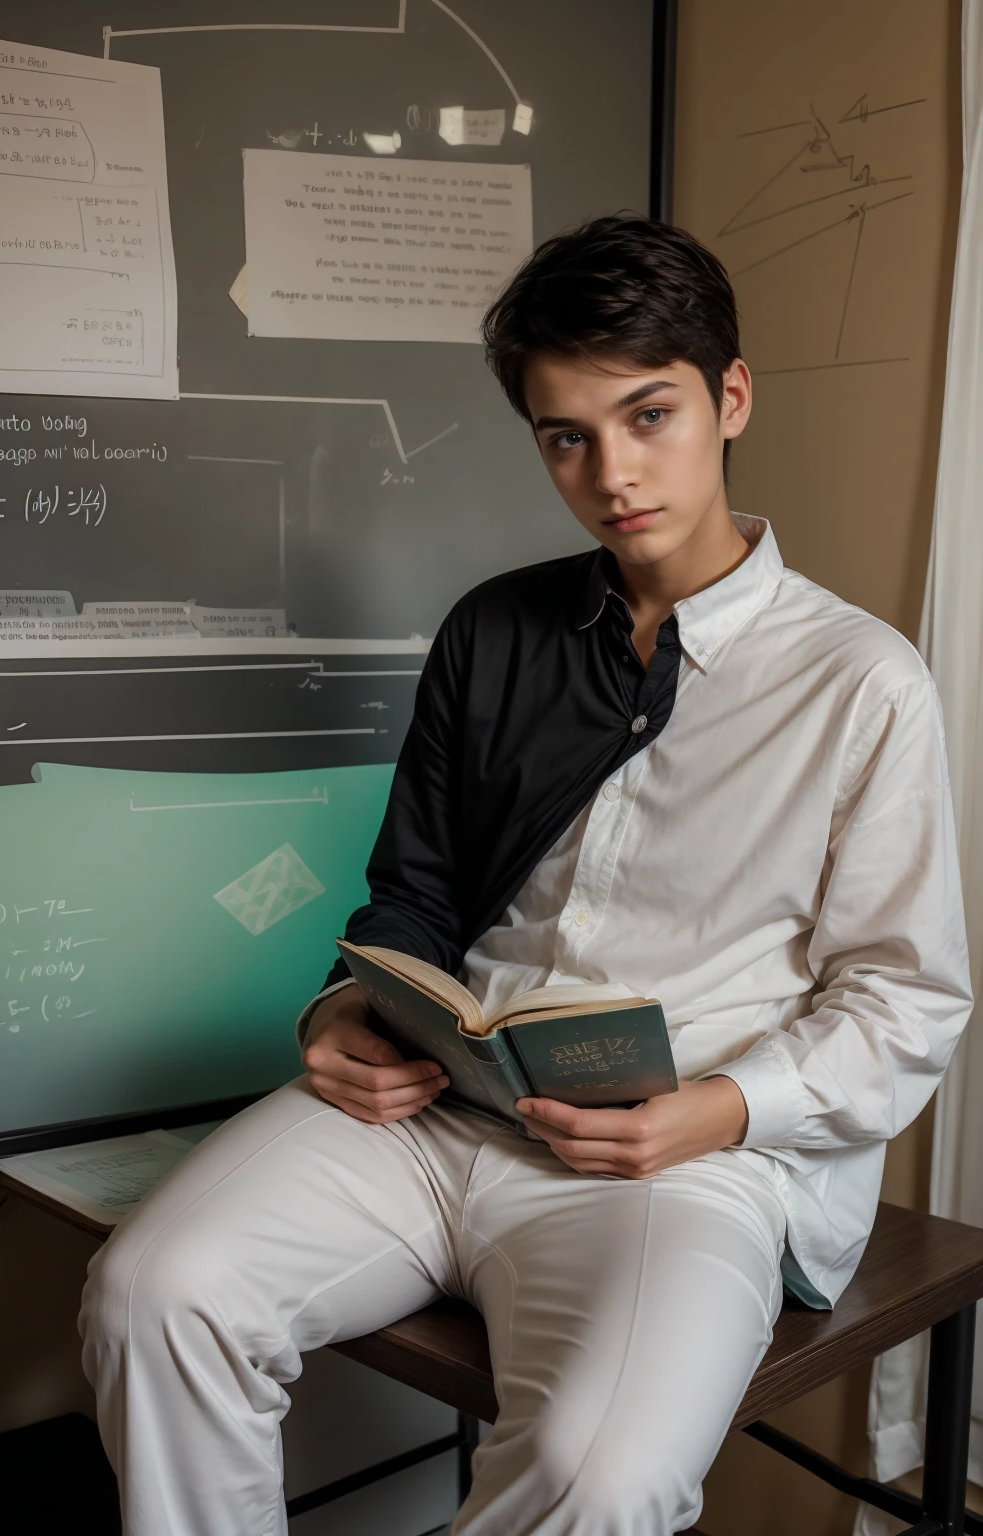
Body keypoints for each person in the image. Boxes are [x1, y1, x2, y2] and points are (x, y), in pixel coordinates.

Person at [79, 214, 972, 1536]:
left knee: (601, 1475)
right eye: (567, 435)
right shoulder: (496, 628)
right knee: (153, 1292)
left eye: (648, 415)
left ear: (730, 397)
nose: (613, 472)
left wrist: (718, 1110)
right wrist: (341, 1012)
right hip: (436, 1111)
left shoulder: (863, 682)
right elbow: (413, 896)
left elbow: (907, 1004)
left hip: (676, 1159)